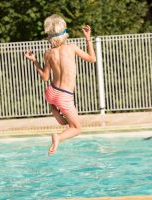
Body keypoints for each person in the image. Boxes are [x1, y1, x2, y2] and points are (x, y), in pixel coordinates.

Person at [24, 14, 96, 155]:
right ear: (64, 33)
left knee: (65, 123)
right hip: (64, 96)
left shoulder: (48, 53)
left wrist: (34, 61)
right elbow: (92, 58)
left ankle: (54, 108)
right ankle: (58, 137)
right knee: (76, 128)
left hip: (51, 92)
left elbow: (45, 77)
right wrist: (88, 38)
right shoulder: (71, 48)